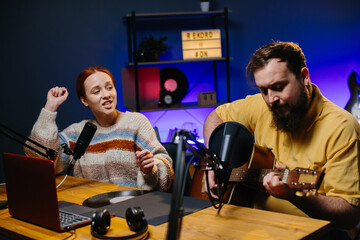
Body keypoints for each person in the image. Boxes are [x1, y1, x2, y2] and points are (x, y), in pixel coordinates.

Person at [203, 42, 360, 238]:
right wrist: (215, 162)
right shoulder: (262, 105)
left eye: (278, 87)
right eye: (263, 90)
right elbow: (215, 117)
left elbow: (349, 215)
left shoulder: (342, 128)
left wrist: (294, 195)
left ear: (304, 77)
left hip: (317, 233)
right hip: (254, 223)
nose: (270, 100)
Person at [25, 66, 174, 192]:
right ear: (84, 100)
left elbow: (166, 171)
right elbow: (40, 159)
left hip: (132, 207)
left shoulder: (136, 123)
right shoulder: (77, 133)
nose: (106, 95)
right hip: (91, 209)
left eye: (109, 88)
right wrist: (50, 107)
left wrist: (150, 168)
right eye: (96, 92)